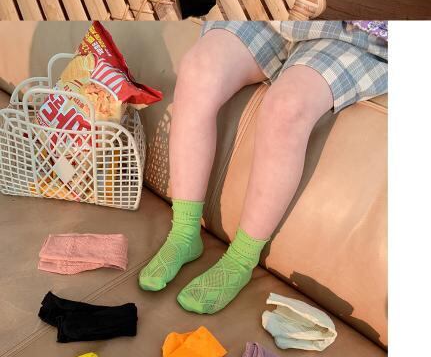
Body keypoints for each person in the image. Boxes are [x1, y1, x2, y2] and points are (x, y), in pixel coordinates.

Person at [139, 18, 388, 321]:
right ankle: (183, 233)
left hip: (356, 34)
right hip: (279, 15)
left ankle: (241, 260)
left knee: (287, 105)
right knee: (199, 69)